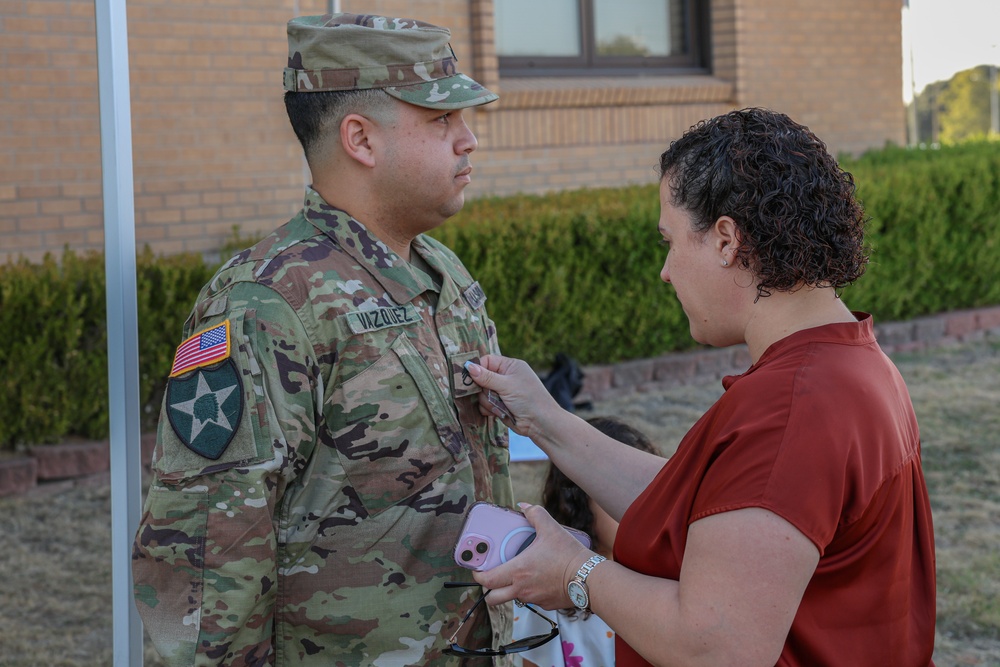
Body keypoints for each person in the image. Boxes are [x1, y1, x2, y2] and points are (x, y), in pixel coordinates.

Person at [463, 108, 937, 666]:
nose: (665, 271)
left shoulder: (789, 410)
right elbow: (711, 510)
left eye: (670, 241)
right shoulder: (849, 362)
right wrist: (545, 419)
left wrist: (575, 571)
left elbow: (717, 649)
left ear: (726, 239)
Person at [132, 13, 516, 666]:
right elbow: (209, 552)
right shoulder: (266, 303)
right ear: (360, 139)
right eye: (440, 120)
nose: (468, 140)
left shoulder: (441, 272)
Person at [516, 417, 655, 667]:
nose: (643, 509)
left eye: (652, 491)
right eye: (623, 491)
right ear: (577, 500)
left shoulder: (671, 583)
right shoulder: (545, 595)